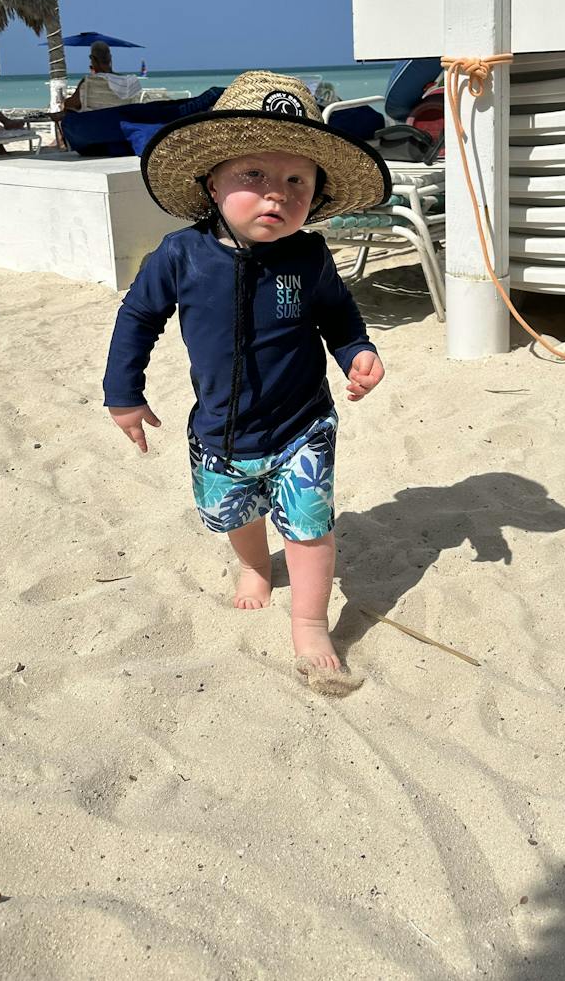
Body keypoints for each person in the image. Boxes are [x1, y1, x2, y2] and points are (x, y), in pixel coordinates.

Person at [102, 72, 391, 695]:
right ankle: (256, 566)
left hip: (302, 424)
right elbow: (139, 317)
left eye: (296, 181)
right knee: (235, 512)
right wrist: (123, 393)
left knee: (310, 527)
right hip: (221, 429)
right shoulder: (180, 255)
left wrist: (357, 351)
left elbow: (338, 314)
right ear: (213, 184)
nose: (276, 194)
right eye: (253, 175)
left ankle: (309, 623)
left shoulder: (309, 256)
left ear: (315, 196)